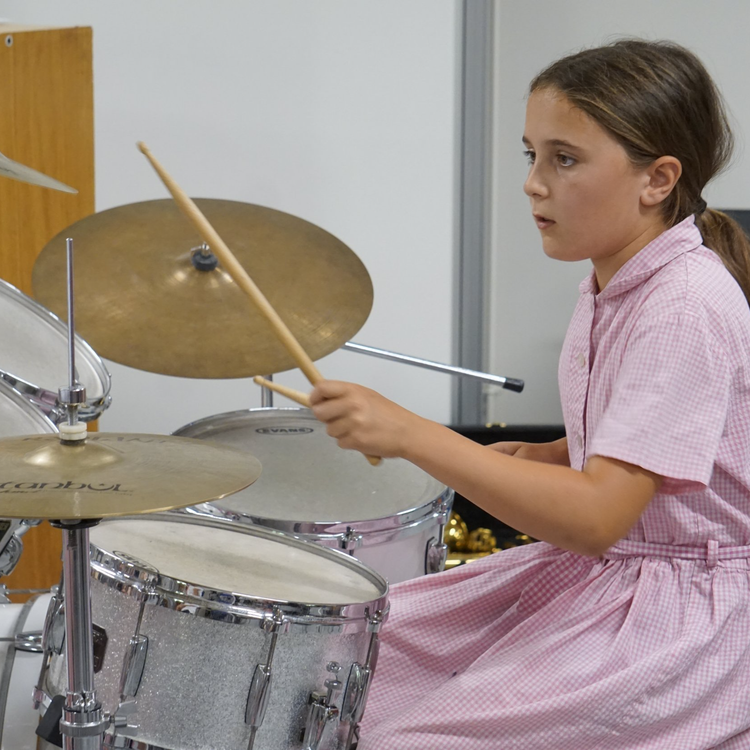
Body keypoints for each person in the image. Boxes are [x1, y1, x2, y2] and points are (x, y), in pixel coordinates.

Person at [310, 39, 750, 749]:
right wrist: (549, 455)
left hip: (687, 616)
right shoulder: (611, 283)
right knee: (344, 658)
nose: (533, 183)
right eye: (531, 155)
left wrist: (413, 434)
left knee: (407, 738)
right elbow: (664, 443)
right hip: (618, 575)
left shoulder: (684, 305)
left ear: (658, 179)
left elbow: (599, 517)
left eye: (564, 158)